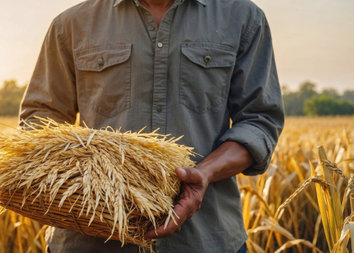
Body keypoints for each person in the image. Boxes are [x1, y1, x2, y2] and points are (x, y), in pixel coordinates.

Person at [19, 0, 284, 252]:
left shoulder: (243, 18)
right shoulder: (71, 24)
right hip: (92, 241)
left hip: (205, 240)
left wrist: (204, 173)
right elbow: (40, 118)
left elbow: (259, 120)